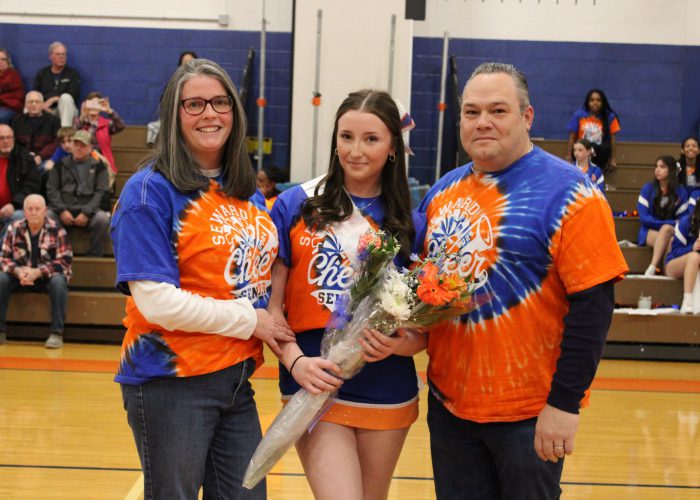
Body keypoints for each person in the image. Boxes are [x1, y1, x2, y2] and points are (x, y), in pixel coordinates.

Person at [414, 62, 628, 500]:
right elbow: (429, 293)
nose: (483, 122)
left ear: (527, 117)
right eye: (471, 112)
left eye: (498, 110)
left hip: (529, 416)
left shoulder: (574, 194)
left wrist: (564, 404)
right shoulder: (442, 192)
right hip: (450, 408)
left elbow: (594, 308)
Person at [110, 58, 293, 499]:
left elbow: (259, 279)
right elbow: (158, 303)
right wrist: (253, 322)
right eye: (194, 104)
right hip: (171, 383)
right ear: (174, 114)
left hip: (235, 378)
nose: (209, 114)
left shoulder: (244, 187)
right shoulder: (149, 191)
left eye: (219, 102)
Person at [268, 89, 421, 500]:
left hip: (387, 389)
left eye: (371, 139)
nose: (355, 150)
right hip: (313, 381)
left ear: (392, 148)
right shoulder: (293, 205)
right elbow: (271, 308)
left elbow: (422, 329)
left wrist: (399, 345)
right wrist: (294, 360)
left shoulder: (411, 221)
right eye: (346, 136)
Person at [0, 193, 72, 348]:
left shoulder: (57, 230)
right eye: (30, 209)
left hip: (45, 279)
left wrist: (38, 272)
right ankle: (0, 332)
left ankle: (56, 333)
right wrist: (19, 272)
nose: (33, 212)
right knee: (1, 278)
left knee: (59, 281)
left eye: (37, 209)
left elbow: (64, 262)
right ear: (24, 211)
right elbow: (3, 258)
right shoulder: (13, 228)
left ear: (45, 211)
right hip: (19, 276)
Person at [46, 130, 111, 257]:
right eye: (75, 144)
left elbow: (101, 192)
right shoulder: (60, 165)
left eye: (83, 145)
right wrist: (62, 210)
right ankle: (54, 254)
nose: (78, 148)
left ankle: (94, 255)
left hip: (89, 211)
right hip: (64, 208)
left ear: (90, 148)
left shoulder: (99, 167)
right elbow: (52, 190)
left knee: (102, 219)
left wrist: (87, 212)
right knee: (48, 215)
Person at [637, 155, 689, 277]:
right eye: (656, 166)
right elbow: (644, 218)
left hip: (670, 231)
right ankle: (659, 270)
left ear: (671, 170)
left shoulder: (681, 191)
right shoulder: (647, 189)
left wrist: (669, 225)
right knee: (668, 235)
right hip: (649, 231)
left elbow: (683, 219)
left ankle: (654, 268)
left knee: (667, 233)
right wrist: (669, 223)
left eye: (662, 167)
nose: (657, 170)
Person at [146, 50, 198, 146]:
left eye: (191, 62)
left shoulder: (202, 81)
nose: (188, 65)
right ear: (180, 65)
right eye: (185, 62)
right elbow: (164, 100)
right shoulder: (174, 82)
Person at [0, 124, 41, 239]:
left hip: (15, 209)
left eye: (9, 137)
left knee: (19, 217)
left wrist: (14, 204)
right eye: (1, 138)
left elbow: (31, 187)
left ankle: (2, 251)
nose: (6, 141)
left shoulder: (25, 159)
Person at [566, 89, 621, 172]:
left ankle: (597, 172)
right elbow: (572, 136)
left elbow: (613, 139)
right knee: (590, 147)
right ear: (587, 102)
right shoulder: (579, 115)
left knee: (605, 147)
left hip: (600, 153)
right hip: (582, 151)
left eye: (598, 100)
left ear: (603, 102)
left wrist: (613, 159)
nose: (595, 102)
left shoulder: (610, 117)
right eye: (592, 100)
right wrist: (569, 155)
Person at [74, 91, 126, 176]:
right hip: (83, 164)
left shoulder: (106, 124)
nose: (94, 107)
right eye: (91, 103)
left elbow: (121, 126)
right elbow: (72, 133)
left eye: (97, 104)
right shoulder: (81, 123)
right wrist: (82, 116)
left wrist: (109, 111)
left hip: (103, 164)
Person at [33, 42, 80, 127]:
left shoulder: (73, 74)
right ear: (50, 56)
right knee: (29, 103)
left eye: (63, 54)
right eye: (58, 54)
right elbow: (36, 93)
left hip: (67, 110)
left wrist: (53, 99)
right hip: (45, 108)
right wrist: (42, 106)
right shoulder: (42, 73)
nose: (61, 57)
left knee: (66, 97)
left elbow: (73, 95)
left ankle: (64, 133)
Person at [666, 201, 700, 314]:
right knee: (694, 257)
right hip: (674, 264)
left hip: (696, 267)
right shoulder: (686, 222)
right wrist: (692, 248)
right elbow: (674, 251)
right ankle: (687, 301)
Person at [10, 91, 61, 167]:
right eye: (30, 102)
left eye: (37, 102)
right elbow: (13, 142)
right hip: (22, 158)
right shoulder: (17, 121)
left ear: (43, 104)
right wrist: (26, 155)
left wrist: (40, 156)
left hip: (45, 158)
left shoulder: (54, 121)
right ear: (26, 105)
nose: (34, 104)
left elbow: (56, 143)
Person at [0, 48, 25, 124]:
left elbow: (17, 96)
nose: (0, 62)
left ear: (8, 61)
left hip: (9, 107)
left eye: (3, 59)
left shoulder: (13, 75)